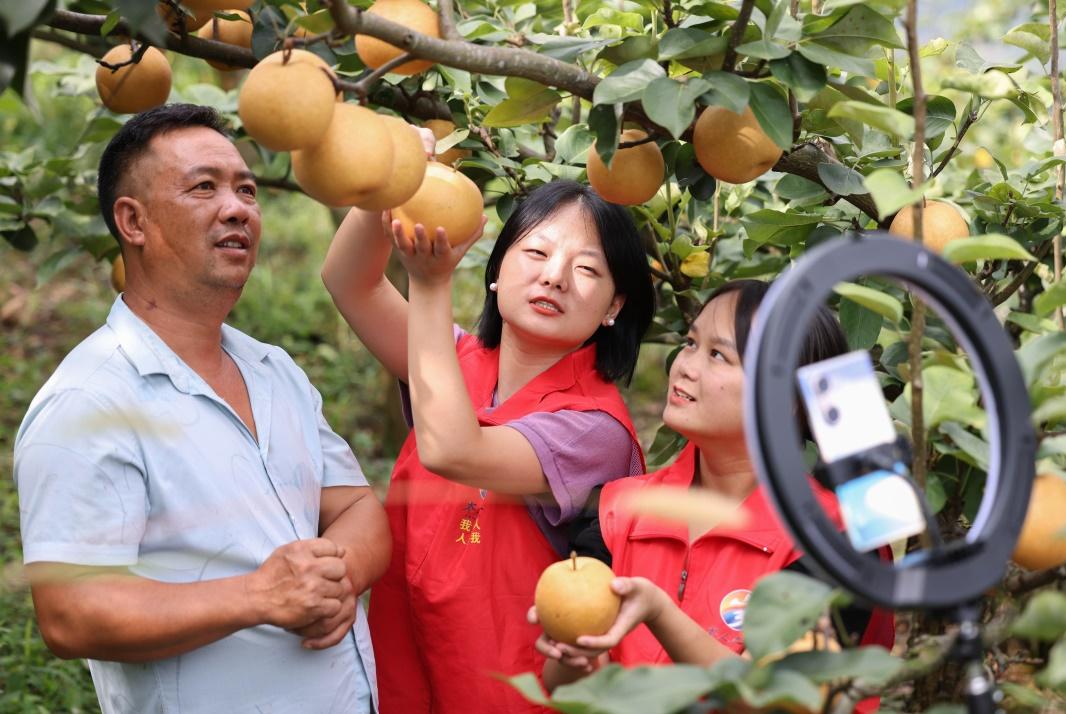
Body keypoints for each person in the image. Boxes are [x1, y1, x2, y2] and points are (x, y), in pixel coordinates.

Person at [12, 104, 390, 713]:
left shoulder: (274, 371)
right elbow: (70, 613)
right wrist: (260, 596)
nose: (238, 206)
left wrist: (335, 578)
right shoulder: (89, 401)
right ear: (133, 222)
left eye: (246, 189)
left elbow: (356, 506)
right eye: (204, 187)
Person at [322, 174, 657, 711]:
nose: (554, 277)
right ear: (497, 269)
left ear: (614, 304)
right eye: (537, 252)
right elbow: (348, 281)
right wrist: (386, 182)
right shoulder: (453, 359)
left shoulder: (595, 428)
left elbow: (453, 450)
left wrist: (431, 285)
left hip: (513, 693)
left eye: (587, 268)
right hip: (406, 676)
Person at [529, 279, 895, 712]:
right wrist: (574, 654)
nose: (684, 365)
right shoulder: (619, 510)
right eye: (689, 343)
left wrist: (659, 614)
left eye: (718, 354)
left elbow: (777, 702)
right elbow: (564, 683)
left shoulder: (836, 540)